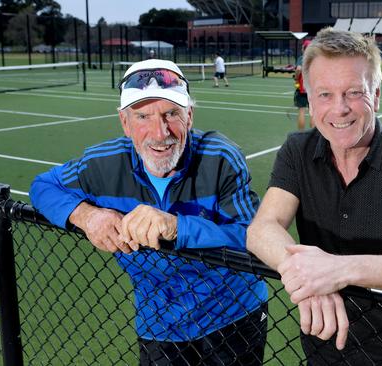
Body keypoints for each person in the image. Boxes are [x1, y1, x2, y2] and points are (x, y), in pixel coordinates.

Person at [30, 59, 268, 365]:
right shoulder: (103, 163)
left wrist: (177, 227)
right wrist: (87, 216)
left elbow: (255, 240)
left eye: (171, 114)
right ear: (124, 124)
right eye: (142, 116)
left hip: (232, 314)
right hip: (159, 322)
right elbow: (43, 186)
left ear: (190, 117)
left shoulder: (220, 157)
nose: (159, 132)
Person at [247, 28, 382, 365]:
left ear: (376, 96)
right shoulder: (297, 151)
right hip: (322, 348)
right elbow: (262, 228)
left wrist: (338, 270)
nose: (340, 108)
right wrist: (304, 272)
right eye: (325, 94)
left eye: (353, 92)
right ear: (310, 99)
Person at [294, 39, 313, 130]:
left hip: (302, 89)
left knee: (301, 111)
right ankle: (315, 136)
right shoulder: (315, 59)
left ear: (304, 48)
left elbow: (298, 69)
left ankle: (301, 135)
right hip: (312, 89)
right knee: (313, 112)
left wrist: (296, 77)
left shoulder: (302, 58)